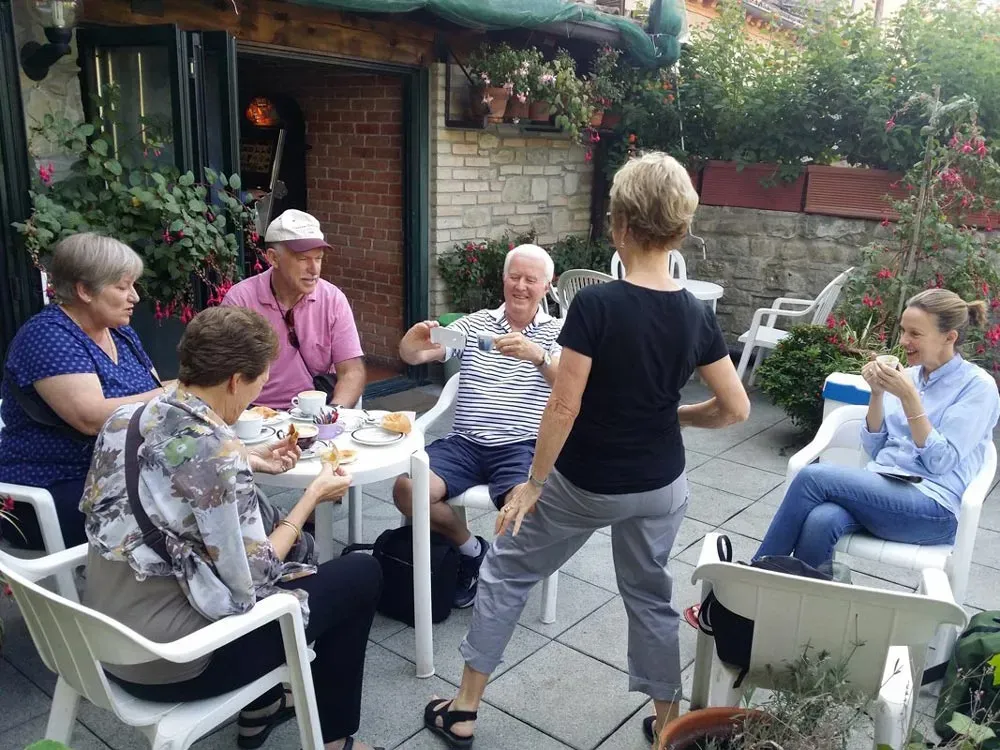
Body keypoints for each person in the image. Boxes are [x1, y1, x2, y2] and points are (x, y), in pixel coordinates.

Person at [419, 153, 750, 749]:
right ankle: (668, 720)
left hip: (585, 485)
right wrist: (674, 414)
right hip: (660, 486)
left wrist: (534, 483)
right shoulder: (695, 312)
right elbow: (735, 409)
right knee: (650, 595)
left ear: (620, 225)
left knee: (505, 568)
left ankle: (464, 707)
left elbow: (564, 406)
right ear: (679, 228)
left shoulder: (595, 305)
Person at [82, 306, 384, 750]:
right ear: (234, 380)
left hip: (101, 639)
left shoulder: (123, 419)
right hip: (176, 662)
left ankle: (261, 707)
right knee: (360, 573)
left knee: (294, 560)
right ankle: (336, 739)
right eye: (260, 380)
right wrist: (311, 497)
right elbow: (257, 573)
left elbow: (170, 467)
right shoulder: (218, 454)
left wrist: (250, 456)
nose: (260, 389)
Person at [750, 288, 1000, 570]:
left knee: (813, 477)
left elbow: (940, 461)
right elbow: (876, 449)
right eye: (904, 330)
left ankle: (750, 581)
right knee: (821, 521)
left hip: (934, 508)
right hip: (885, 488)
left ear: (949, 337)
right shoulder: (907, 376)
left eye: (915, 334)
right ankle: (811, 607)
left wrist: (909, 398)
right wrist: (878, 394)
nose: (904, 341)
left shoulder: (977, 387)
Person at [393, 244, 563, 608]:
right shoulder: (473, 324)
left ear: (546, 286)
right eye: (514, 277)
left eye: (530, 280)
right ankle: (472, 550)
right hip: (465, 444)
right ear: (503, 279)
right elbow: (422, 353)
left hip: (522, 446)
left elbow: (568, 383)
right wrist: (411, 346)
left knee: (524, 508)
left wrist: (538, 355)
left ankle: (504, 574)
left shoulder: (558, 333)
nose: (520, 286)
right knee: (407, 489)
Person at [0, 233, 164, 550]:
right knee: (185, 503)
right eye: (122, 286)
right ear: (84, 290)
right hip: (52, 488)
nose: (135, 297)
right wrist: (178, 392)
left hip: (120, 473)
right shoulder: (47, 335)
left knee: (211, 481)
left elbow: (155, 394)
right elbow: (91, 419)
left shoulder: (121, 334)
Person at [222, 209, 365, 409]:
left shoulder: (333, 299)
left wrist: (332, 414)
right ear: (273, 258)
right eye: (303, 259)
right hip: (256, 414)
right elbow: (223, 376)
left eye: (319, 258)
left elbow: (352, 372)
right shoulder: (240, 300)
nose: (314, 269)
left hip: (316, 409)